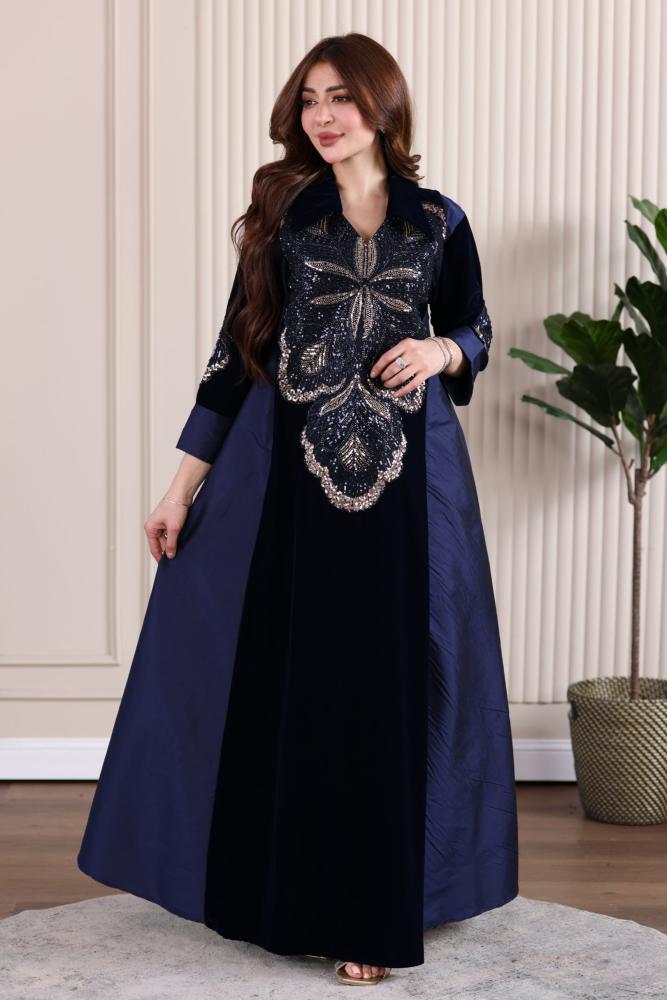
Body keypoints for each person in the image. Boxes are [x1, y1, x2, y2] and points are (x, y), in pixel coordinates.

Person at [77, 32, 518, 988]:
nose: (323, 116)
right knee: (296, 687)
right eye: (310, 99)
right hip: (284, 484)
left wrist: (442, 353)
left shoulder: (438, 221)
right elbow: (233, 356)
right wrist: (178, 489)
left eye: (341, 97)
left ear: (382, 106)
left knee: (386, 692)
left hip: (408, 486)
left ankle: (370, 913)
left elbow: (477, 326)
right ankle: (287, 899)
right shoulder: (282, 213)